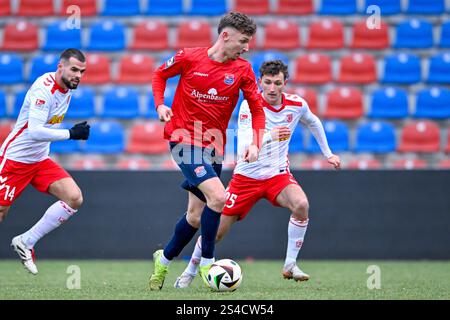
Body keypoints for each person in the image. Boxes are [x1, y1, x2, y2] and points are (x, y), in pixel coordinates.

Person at [173, 60, 341, 288]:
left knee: (301, 204)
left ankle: (290, 264)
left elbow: (314, 122)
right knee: (216, 232)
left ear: (285, 83)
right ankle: (190, 272)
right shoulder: (249, 107)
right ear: (260, 82)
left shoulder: (296, 104)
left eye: (278, 83)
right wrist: (270, 135)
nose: (272, 88)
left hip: (277, 175)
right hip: (246, 179)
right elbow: (244, 147)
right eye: (268, 82)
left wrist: (328, 153)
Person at [149, 12, 266, 290]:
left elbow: (258, 110)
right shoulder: (189, 57)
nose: (247, 47)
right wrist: (159, 105)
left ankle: (163, 261)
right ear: (225, 36)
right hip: (183, 140)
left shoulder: (243, 70)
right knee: (220, 197)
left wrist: (256, 143)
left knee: (195, 215)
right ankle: (207, 263)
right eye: (243, 40)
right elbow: (159, 74)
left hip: (214, 146)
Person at [0, 49, 90, 275]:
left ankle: (26, 241)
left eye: (82, 71)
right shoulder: (44, 89)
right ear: (60, 66)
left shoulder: (67, 88)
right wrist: (71, 134)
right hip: (16, 159)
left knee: (74, 198)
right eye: (74, 70)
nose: (78, 75)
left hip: (39, 160)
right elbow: (34, 131)